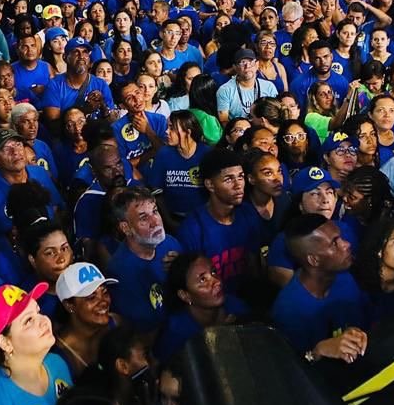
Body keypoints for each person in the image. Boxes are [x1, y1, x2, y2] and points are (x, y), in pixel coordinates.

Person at [269, 214, 367, 363]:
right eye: (334, 243)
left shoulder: (346, 279)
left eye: (340, 238)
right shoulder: (289, 311)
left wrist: (356, 334)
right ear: (313, 260)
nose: (346, 244)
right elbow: (287, 372)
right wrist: (318, 351)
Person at [174, 148, 261, 297]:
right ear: (210, 185)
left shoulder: (248, 214)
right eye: (229, 179)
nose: (238, 185)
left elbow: (253, 266)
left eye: (240, 177)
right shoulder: (192, 229)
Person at [105, 187, 183, 335]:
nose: (155, 222)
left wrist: (182, 270)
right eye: (143, 218)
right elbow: (144, 328)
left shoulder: (170, 243)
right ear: (126, 228)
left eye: (155, 211)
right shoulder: (121, 272)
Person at [53, 262, 121, 379]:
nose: (104, 302)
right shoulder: (59, 357)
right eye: (91, 297)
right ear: (69, 305)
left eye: (104, 292)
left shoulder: (115, 322)